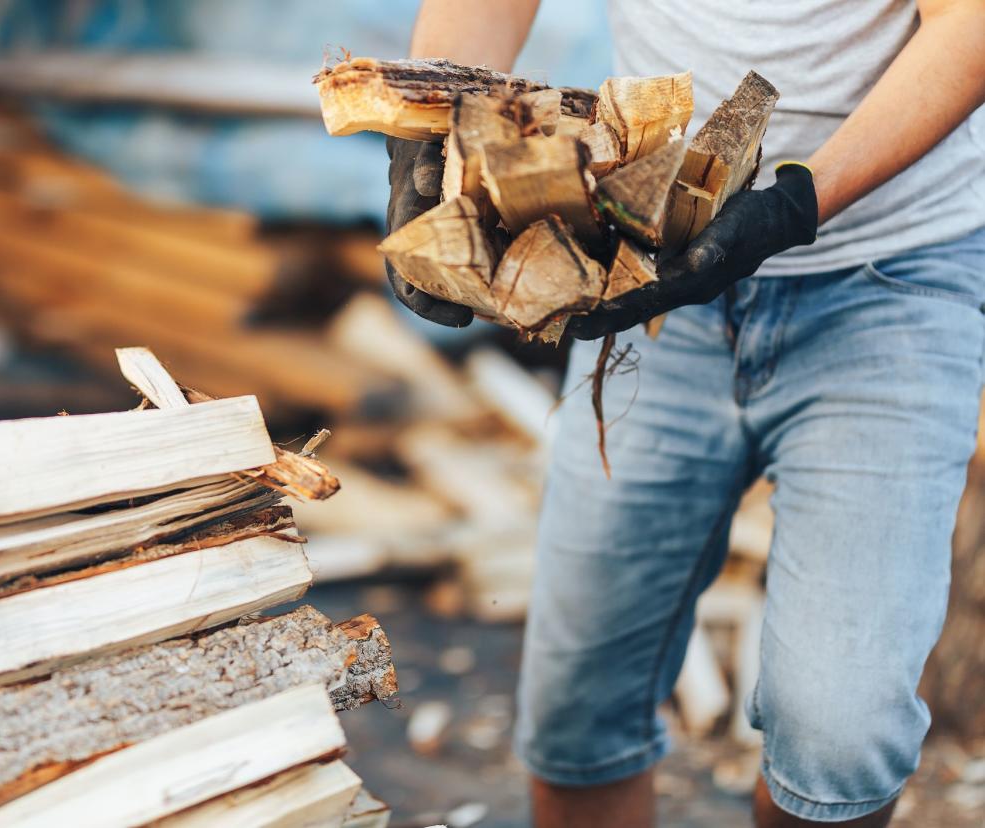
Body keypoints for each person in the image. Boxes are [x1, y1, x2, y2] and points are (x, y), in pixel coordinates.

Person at [385, 1, 985, 825]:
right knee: (576, 719)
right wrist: (431, 138)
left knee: (840, 740)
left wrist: (797, 203)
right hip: (655, 272)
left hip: (889, 280)